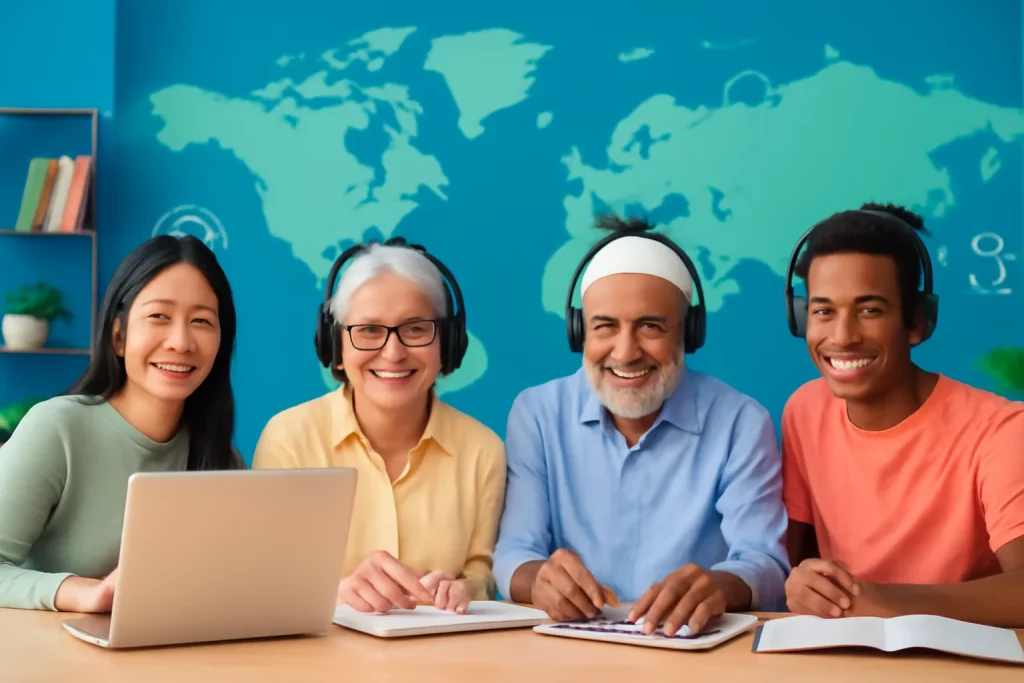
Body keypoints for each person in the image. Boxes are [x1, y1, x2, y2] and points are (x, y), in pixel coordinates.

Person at [492, 215, 790, 636]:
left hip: (693, 652)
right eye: (605, 326)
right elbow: (513, 552)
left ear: (688, 332)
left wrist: (718, 588)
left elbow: (766, 562)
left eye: (650, 326)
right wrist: (537, 578)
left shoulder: (741, 421)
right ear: (580, 332)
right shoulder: (537, 413)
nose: (626, 352)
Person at [781, 202, 1024, 628]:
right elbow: (789, 561)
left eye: (870, 310)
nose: (842, 336)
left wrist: (889, 603)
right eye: (823, 311)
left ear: (916, 322)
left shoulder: (1001, 430)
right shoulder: (805, 410)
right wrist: (801, 583)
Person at [252, 237, 506, 615]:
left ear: (448, 344)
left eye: (416, 328)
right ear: (334, 344)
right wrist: (337, 592)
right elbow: (263, 579)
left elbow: (482, 575)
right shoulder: (288, 439)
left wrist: (465, 589)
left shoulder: (482, 450)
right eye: (369, 330)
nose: (393, 352)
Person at [0, 235, 244, 612]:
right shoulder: (56, 428)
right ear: (118, 336)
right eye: (158, 317)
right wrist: (85, 593)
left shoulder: (223, 461)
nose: (180, 342)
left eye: (201, 321)